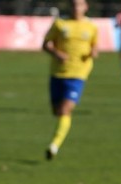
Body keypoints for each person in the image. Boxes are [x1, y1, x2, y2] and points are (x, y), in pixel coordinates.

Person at [42, 0, 98, 160]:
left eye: (80, 4)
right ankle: (56, 140)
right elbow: (45, 44)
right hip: (58, 74)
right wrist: (57, 53)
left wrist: (93, 52)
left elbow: (95, 46)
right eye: (74, 4)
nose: (76, 7)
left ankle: (54, 145)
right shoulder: (60, 23)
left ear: (86, 7)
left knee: (65, 110)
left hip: (78, 75)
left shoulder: (91, 27)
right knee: (57, 111)